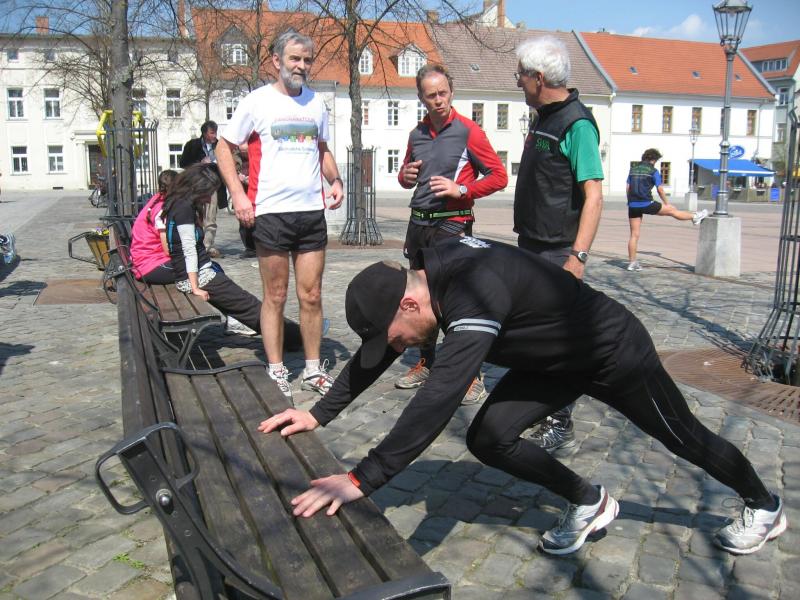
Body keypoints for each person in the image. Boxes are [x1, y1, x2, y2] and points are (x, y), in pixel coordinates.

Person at [259, 236, 787, 556]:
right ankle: (589, 501)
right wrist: (318, 414)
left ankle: (765, 505)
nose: (397, 350)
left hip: (613, 353)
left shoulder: (473, 290)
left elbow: (439, 397)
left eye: (396, 339)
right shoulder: (428, 281)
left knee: (684, 437)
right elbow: (377, 353)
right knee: (490, 437)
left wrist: (362, 478)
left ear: (409, 304)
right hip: (556, 363)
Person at [216, 30, 344, 401]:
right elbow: (223, 148)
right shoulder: (256, 102)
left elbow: (322, 149)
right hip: (271, 212)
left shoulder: (316, 103)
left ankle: (314, 369)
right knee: (275, 295)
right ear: (277, 61)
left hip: (310, 213)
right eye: (294, 59)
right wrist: (237, 194)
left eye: (307, 60)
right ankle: (276, 369)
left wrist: (335, 180)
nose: (301, 66)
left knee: (312, 294)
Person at [394, 64, 508, 405]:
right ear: (421, 98)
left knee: (455, 301)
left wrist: (462, 189)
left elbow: (499, 176)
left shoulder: (469, 131)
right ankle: (427, 362)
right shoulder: (416, 134)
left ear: (452, 92)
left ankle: (471, 375)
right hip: (419, 224)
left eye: (443, 93)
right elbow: (406, 176)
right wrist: (405, 176)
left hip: (452, 223)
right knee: (420, 300)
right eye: (431, 95)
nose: (439, 100)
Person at [513, 35, 604, 453]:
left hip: (558, 250)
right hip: (532, 244)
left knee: (556, 339)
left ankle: (561, 422)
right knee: (533, 336)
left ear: (539, 77)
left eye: (521, 74)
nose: (518, 81)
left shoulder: (577, 124)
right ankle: (540, 408)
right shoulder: (543, 117)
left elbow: (593, 196)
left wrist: (577, 256)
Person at [162, 163, 301, 342]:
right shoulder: (184, 209)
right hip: (198, 277)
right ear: (197, 187)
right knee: (248, 305)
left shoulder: (179, 202)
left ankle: (292, 333)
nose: (208, 199)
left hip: (199, 272)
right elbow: (188, 250)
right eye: (207, 193)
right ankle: (298, 335)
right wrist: (195, 287)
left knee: (245, 303)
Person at [626, 148, 709, 271]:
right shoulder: (653, 171)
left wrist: (630, 201)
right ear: (653, 160)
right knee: (672, 211)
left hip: (633, 205)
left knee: (634, 235)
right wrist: (667, 203)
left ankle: (632, 263)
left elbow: (628, 187)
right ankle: (695, 216)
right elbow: (660, 189)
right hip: (646, 203)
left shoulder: (633, 169)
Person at [180, 120, 225, 258]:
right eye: (212, 133)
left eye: (215, 132)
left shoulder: (219, 145)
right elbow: (183, 163)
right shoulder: (192, 145)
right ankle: (196, 244)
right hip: (196, 185)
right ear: (204, 133)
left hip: (213, 185)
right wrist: (200, 163)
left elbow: (228, 161)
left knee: (211, 216)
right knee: (197, 215)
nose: (214, 136)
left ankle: (207, 245)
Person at [130, 170, 178, 284]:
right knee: (196, 269)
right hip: (150, 265)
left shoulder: (156, 200)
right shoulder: (162, 209)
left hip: (142, 261)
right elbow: (167, 250)